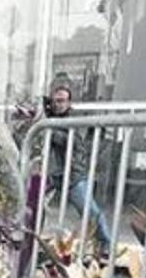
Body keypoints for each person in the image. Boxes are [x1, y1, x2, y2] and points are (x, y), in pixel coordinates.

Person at [46, 85, 112, 252]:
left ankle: (106, 245)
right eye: (54, 101)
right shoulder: (48, 119)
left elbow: (71, 142)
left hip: (73, 175)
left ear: (69, 102)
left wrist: (47, 128)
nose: (58, 104)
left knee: (91, 212)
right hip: (51, 175)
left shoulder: (75, 121)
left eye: (61, 101)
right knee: (31, 208)